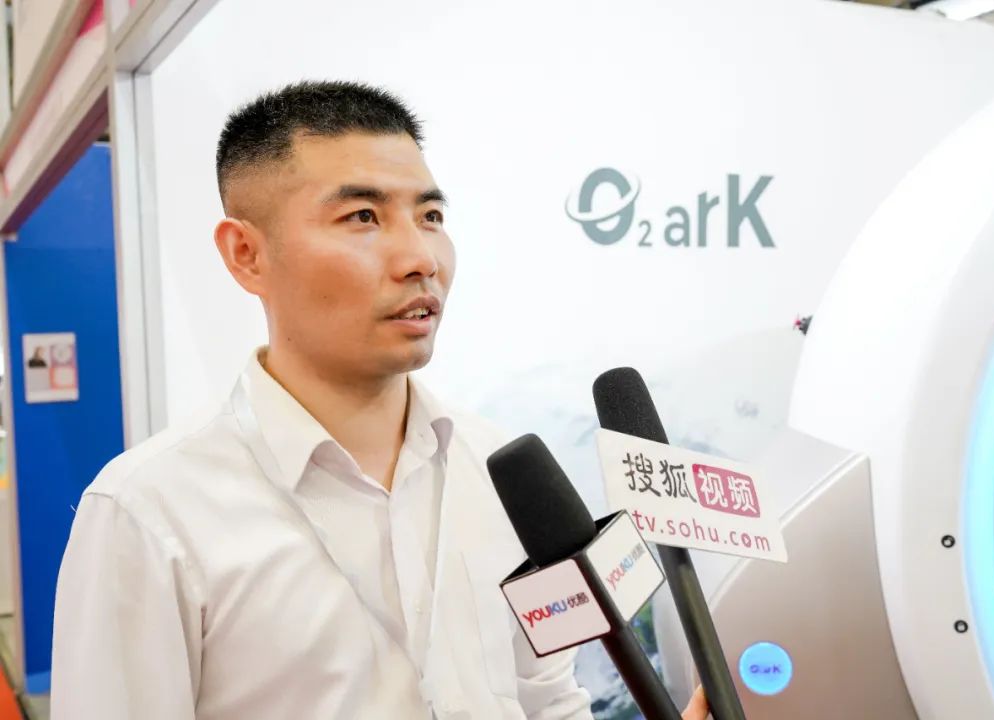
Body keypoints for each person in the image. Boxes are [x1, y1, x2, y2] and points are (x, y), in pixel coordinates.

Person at [52, 81, 710, 720]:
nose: (421, 258)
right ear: (246, 254)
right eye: (362, 217)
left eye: (431, 217)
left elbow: (546, 702)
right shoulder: (151, 511)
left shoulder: (497, 469)